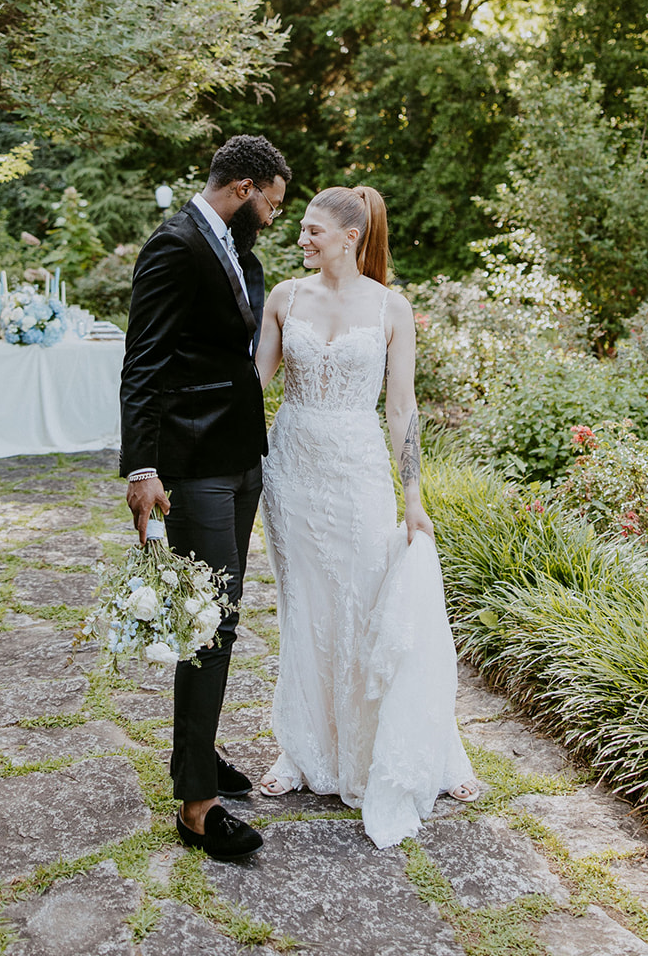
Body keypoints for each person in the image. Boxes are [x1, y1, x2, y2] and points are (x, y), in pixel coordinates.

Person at [255, 184, 478, 848]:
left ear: (350, 236)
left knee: (361, 603)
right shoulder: (283, 298)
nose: (302, 238)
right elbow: (251, 385)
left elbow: (401, 409)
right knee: (304, 609)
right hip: (291, 468)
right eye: (301, 229)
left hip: (356, 472)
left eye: (313, 230)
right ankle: (300, 750)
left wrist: (412, 496)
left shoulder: (390, 307)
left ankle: (376, 748)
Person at [119, 133, 291, 860]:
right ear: (244, 187)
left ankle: (200, 750)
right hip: (192, 465)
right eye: (273, 203)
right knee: (205, 621)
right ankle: (195, 806)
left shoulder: (231, 246)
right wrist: (141, 470)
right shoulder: (175, 245)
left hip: (237, 457)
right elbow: (144, 361)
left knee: (223, 613)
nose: (276, 218)